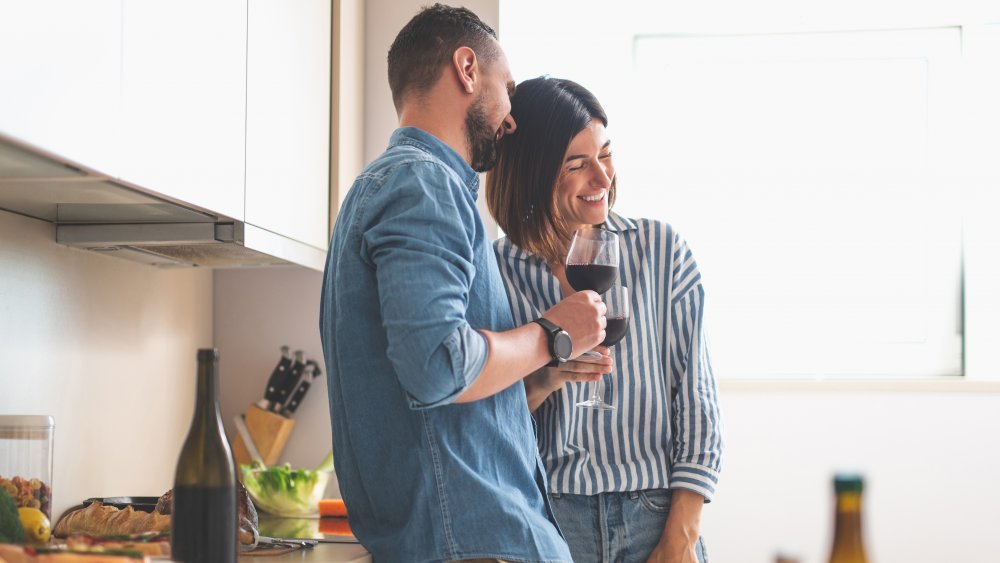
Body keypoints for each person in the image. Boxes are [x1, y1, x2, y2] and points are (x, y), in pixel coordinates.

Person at [319, 8, 608, 563]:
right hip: (477, 545)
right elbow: (437, 365)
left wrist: (542, 370)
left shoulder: (382, 187)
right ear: (467, 69)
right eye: (508, 89)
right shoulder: (422, 184)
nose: (512, 118)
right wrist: (554, 333)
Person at [486, 76, 724, 563]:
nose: (603, 178)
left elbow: (696, 400)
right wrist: (544, 376)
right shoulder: (497, 271)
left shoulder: (660, 250)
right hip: (548, 522)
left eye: (606, 153)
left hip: (655, 515)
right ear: (533, 173)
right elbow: (488, 422)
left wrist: (680, 537)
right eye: (577, 164)